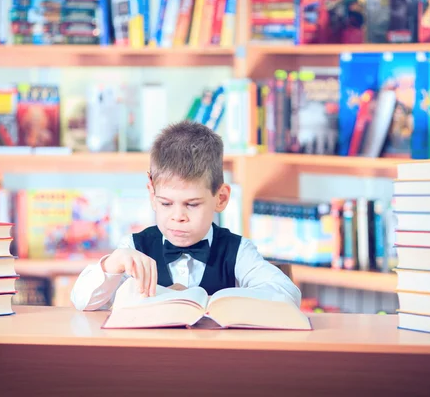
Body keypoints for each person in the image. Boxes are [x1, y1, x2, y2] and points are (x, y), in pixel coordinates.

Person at [70, 120, 301, 311]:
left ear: (220, 198)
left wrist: (209, 300)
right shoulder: (135, 247)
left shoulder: (237, 251)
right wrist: (113, 263)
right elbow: (82, 301)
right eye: (166, 203)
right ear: (152, 195)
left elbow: (287, 295)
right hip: (151, 362)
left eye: (192, 204)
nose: (178, 216)